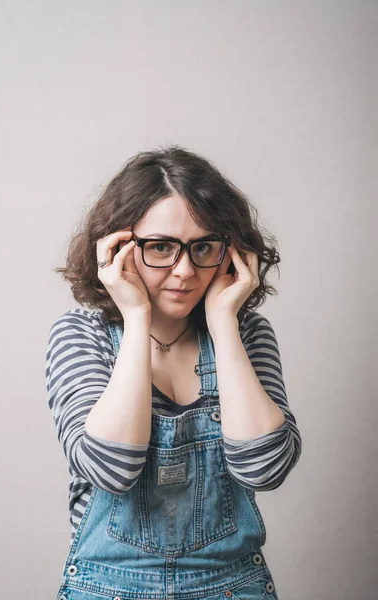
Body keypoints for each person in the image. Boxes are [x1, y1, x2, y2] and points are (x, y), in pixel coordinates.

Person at [45, 145, 302, 600]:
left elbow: (265, 468)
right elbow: (111, 468)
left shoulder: (247, 334)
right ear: (117, 248)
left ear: (230, 252)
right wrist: (137, 315)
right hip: (107, 590)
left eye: (203, 246)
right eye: (161, 247)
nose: (184, 271)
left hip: (233, 588)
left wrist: (225, 325)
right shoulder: (79, 334)